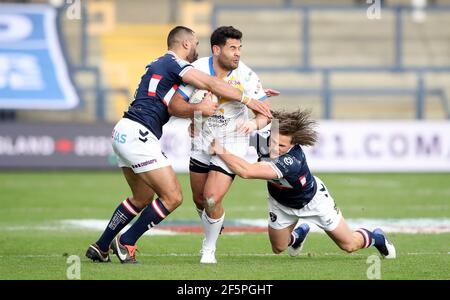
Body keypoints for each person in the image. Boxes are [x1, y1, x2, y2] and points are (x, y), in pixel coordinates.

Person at [85, 25, 272, 264]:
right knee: (172, 197)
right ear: (185, 44)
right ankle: (127, 241)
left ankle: (101, 246)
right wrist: (246, 99)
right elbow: (211, 85)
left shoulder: (159, 63)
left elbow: (180, 100)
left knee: (141, 198)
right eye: (194, 43)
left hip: (122, 130)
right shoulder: (178, 64)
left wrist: (196, 113)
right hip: (140, 134)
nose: (196, 48)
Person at [209, 109, 396, 259]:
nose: (275, 148)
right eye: (273, 141)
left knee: (349, 245)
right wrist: (203, 129)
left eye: (281, 146)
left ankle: (377, 237)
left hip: (313, 202)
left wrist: (219, 149)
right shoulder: (266, 139)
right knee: (278, 248)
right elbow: (233, 134)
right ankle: (299, 235)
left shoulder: (292, 161)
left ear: (292, 145)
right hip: (280, 203)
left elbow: (247, 172)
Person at [169, 26, 278, 264]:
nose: (238, 53)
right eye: (232, 48)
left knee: (210, 198)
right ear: (216, 49)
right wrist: (194, 115)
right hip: (202, 140)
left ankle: (208, 249)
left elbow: (265, 114)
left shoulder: (247, 76)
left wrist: (254, 125)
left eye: (240, 48)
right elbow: (175, 106)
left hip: (232, 142)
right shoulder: (195, 71)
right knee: (199, 200)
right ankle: (214, 223)